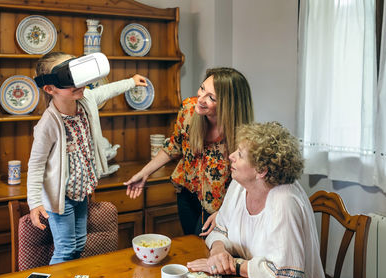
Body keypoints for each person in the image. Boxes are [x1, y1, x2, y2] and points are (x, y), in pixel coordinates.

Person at [27, 51, 147, 264]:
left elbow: (106, 90)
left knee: (79, 244)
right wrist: (35, 202)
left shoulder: (86, 100)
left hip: (82, 191)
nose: (79, 83)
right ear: (49, 88)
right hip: (60, 198)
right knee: (66, 248)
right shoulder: (47, 124)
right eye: (68, 78)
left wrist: (131, 82)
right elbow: (36, 165)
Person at [186, 122, 330, 278]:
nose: (231, 156)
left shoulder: (285, 201)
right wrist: (218, 252)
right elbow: (221, 229)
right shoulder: (240, 185)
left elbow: (281, 275)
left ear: (261, 171)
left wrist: (232, 265)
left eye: (239, 154)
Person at [124, 67, 254, 235]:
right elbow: (173, 147)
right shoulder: (188, 110)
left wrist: (224, 212)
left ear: (229, 104)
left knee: (205, 251)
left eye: (211, 97)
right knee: (190, 242)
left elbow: (246, 184)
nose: (200, 99)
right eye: (202, 89)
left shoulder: (242, 136)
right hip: (187, 193)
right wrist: (144, 173)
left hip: (218, 205)